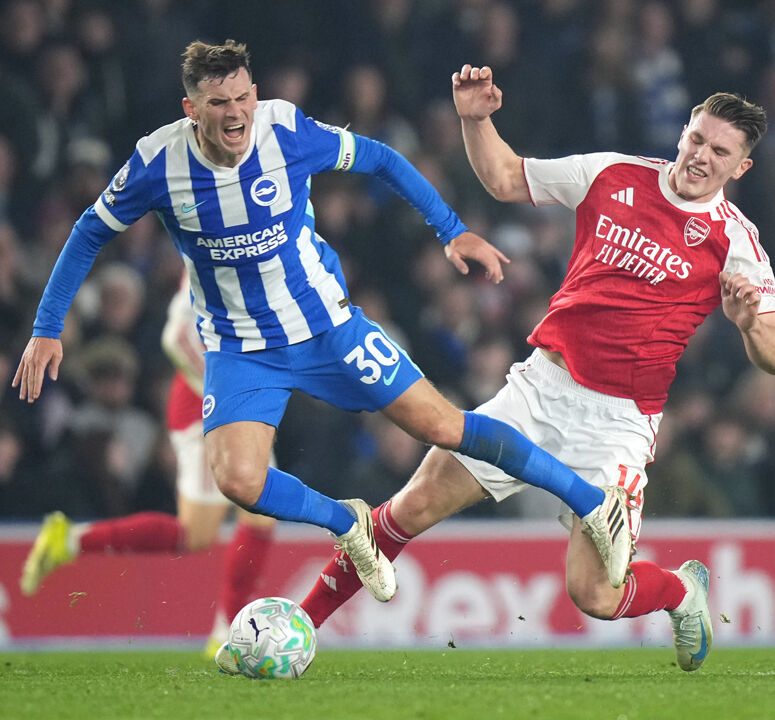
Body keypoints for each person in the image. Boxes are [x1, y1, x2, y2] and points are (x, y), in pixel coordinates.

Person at [9, 40, 631, 668]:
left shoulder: (286, 129)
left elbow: (382, 159)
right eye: (218, 102)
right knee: (238, 481)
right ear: (190, 108)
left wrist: (451, 229)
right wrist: (47, 326)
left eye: (243, 97)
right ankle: (347, 523)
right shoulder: (157, 162)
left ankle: (590, 503)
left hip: (329, 328)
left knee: (443, 425)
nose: (236, 114)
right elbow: (90, 229)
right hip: (241, 347)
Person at [296, 64, 775, 673]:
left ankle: (682, 592)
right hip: (540, 388)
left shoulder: (736, 241)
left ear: (740, 167)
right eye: (697, 139)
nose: (700, 156)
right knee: (411, 504)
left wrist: (746, 321)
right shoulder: (611, 174)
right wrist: (476, 120)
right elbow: (505, 178)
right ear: (683, 131)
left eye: (720, 151)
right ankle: (301, 626)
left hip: (618, 424)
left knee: (595, 595)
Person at [20, 278, 277, 659]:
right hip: (209, 413)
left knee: (258, 516)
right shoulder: (214, 245)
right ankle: (71, 540)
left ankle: (227, 632)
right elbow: (178, 337)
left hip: (232, 406)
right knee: (199, 533)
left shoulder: (252, 241)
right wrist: (222, 397)